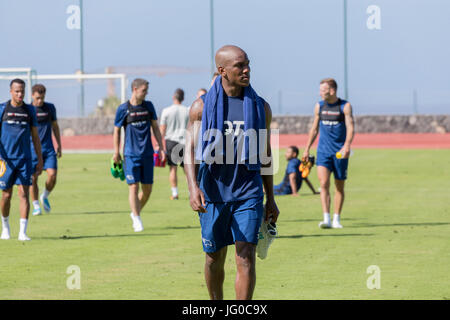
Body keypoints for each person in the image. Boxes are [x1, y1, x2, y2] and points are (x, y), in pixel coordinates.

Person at [184, 45, 279, 300]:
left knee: (245, 255)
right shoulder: (200, 108)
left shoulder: (261, 107)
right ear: (222, 71)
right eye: (239, 66)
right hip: (213, 193)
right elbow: (189, 151)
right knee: (214, 258)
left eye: (248, 64)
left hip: (248, 192)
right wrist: (193, 188)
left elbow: (266, 155)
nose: (247, 70)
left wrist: (270, 197)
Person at [113, 78, 166, 232]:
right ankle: (136, 218)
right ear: (135, 89)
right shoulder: (123, 109)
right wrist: (116, 151)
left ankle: (135, 212)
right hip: (130, 155)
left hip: (148, 154)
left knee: (148, 190)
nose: (146, 93)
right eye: (144, 90)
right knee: (133, 187)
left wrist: (161, 147)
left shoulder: (148, 106)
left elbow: (155, 127)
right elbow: (116, 131)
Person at [302, 78, 355, 229]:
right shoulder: (319, 106)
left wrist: (347, 146)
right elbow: (314, 129)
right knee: (323, 184)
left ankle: (336, 218)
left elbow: (350, 127)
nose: (320, 93)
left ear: (332, 90)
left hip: (340, 153)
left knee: (339, 187)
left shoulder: (345, 106)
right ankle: (326, 219)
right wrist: (306, 148)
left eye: (322, 90)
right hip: (323, 152)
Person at [0, 79, 43, 241]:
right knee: (6, 195)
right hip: (5, 161)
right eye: (17, 91)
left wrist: (39, 159)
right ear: (11, 91)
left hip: (24, 159)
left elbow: (35, 137)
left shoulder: (29, 110)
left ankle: (22, 232)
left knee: (23, 193)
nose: (20, 94)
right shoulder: (2, 109)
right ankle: (5, 227)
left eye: (22, 91)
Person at [29, 84, 62, 216]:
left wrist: (59, 144)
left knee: (52, 175)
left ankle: (45, 196)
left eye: (42, 98)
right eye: (37, 98)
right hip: (32, 150)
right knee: (33, 178)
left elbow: (55, 126)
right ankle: (36, 205)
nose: (40, 101)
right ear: (32, 95)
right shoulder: (28, 110)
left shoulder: (50, 108)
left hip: (48, 149)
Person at [159, 88, 189, 200]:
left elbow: (162, 129)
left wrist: (158, 145)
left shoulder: (166, 111)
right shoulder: (187, 110)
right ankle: (191, 191)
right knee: (187, 169)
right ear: (183, 98)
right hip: (184, 141)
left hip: (171, 141)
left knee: (173, 168)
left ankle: (175, 193)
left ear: (173, 97)